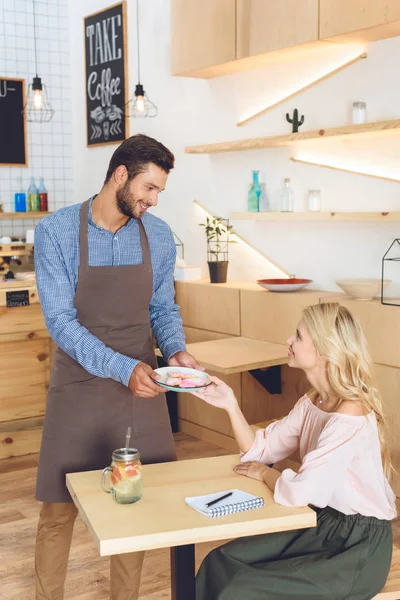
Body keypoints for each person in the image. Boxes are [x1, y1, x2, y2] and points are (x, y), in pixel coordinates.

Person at [34, 134, 201, 600]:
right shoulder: (57, 231)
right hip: (78, 387)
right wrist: (121, 367)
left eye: (160, 192)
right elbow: (61, 324)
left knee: (135, 505)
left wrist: (177, 351)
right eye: (149, 188)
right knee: (57, 509)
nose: (153, 200)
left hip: (139, 389)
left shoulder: (159, 235)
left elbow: (162, 309)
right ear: (121, 175)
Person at [192, 302, 396, 600]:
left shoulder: (350, 416)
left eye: (298, 336)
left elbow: (301, 492)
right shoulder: (313, 403)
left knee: (241, 590)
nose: (289, 341)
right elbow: (260, 449)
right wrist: (229, 403)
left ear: (324, 351)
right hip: (321, 523)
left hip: (358, 546)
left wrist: (265, 473)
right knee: (220, 562)